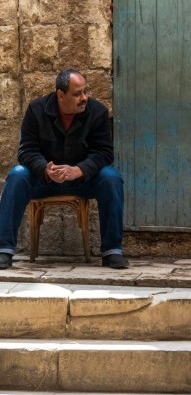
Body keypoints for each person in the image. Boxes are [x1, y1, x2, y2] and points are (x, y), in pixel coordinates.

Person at [0, 69, 129, 270]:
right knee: (17, 174)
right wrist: (45, 169)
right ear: (61, 95)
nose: (84, 97)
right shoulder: (37, 109)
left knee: (111, 177)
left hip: (82, 181)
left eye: (85, 91)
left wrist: (79, 170)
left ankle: (112, 251)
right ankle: (4, 250)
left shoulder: (97, 112)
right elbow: (27, 151)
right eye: (77, 94)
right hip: (44, 181)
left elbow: (104, 153)